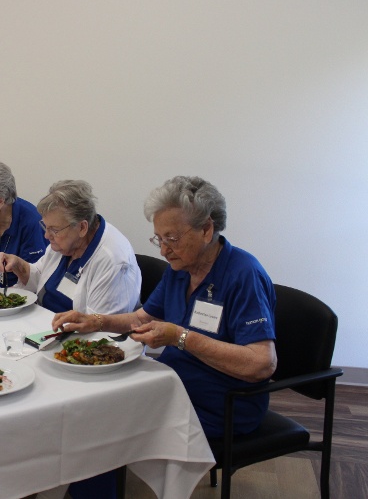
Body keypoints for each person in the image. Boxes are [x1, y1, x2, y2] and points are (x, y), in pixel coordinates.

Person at [51, 176, 277, 499]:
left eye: (171, 237)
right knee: (90, 412)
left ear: (207, 230)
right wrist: (96, 320)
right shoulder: (180, 267)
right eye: (159, 239)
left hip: (221, 405)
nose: (165, 249)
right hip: (171, 386)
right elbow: (143, 317)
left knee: (100, 427)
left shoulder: (244, 275)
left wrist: (181, 337)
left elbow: (262, 363)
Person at [0, 179, 140, 314]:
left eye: (54, 230)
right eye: (46, 227)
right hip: (45, 323)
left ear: (82, 227)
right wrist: (18, 265)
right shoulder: (67, 242)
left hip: (81, 337)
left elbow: (100, 326)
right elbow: (39, 277)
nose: (47, 236)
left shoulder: (112, 260)